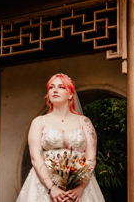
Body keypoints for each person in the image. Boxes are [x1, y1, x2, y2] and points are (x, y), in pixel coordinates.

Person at [16, 74, 105, 202]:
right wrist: (51, 188)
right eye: (51, 87)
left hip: (79, 184)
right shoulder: (39, 122)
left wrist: (80, 188)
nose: (55, 90)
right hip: (45, 184)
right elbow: (36, 158)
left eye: (61, 87)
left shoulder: (85, 122)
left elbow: (91, 158)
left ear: (70, 95)